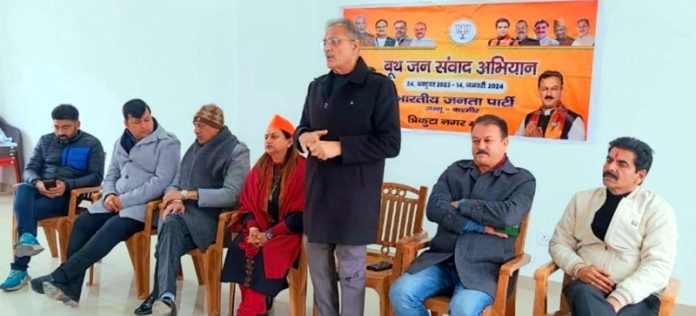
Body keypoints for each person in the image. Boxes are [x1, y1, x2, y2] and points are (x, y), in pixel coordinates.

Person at [29, 99, 180, 307]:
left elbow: (160, 182)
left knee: (110, 228)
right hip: (113, 201)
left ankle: (60, 276)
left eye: (147, 119)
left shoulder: (168, 143)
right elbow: (111, 175)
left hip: (141, 207)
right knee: (82, 223)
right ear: (126, 123)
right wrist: (109, 195)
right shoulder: (121, 142)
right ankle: (71, 289)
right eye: (137, 122)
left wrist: (123, 200)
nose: (145, 125)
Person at [296, 18, 400, 316]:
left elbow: (390, 143)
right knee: (319, 271)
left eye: (335, 41)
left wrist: (340, 147)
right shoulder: (317, 86)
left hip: (355, 197)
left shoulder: (379, 87)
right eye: (325, 42)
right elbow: (302, 127)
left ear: (356, 45)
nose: (328, 48)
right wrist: (303, 136)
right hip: (318, 194)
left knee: (351, 274)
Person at [389, 114, 536, 316]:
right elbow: (434, 208)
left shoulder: (521, 179)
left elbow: (508, 216)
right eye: (475, 141)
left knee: (462, 309)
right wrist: (478, 226)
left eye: (488, 140)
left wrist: (463, 204)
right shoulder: (456, 171)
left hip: (484, 270)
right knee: (401, 292)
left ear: (505, 143)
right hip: (441, 260)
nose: (480, 146)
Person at [134, 104, 250, 315]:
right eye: (195, 125)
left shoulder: (236, 150)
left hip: (214, 221)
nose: (196, 130)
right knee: (170, 225)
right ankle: (166, 299)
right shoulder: (195, 147)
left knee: (167, 237)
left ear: (217, 127)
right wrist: (175, 200)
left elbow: (233, 194)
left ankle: (160, 295)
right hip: (184, 216)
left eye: (201, 126)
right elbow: (175, 182)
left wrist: (187, 195)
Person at [549, 137, 677, 315]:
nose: (610, 167)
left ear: (640, 175)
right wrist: (579, 268)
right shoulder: (582, 200)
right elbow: (558, 243)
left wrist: (618, 298)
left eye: (622, 164)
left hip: (636, 294)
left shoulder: (657, 210)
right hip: (588, 288)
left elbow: (658, 265)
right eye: (609, 160)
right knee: (582, 294)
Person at [0, 104, 105, 292]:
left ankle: (19, 269)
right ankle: (28, 239)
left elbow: (96, 176)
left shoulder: (92, 144)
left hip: (65, 197)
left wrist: (67, 186)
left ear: (77, 124)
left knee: (25, 214)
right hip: (40, 190)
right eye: (56, 127)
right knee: (23, 188)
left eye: (65, 127)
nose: (60, 132)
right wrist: (38, 183)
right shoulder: (45, 141)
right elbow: (29, 169)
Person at [220, 114, 305, 316]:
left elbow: (301, 214)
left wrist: (269, 235)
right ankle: (256, 307)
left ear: (289, 141)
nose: (268, 140)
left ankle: (248, 310)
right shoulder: (259, 168)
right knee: (239, 246)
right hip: (259, 229)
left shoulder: (303, 169)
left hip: (287, 234)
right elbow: (247, 205)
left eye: (274, 136)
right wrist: (253, 229)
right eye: (266, 136)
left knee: (267, 255)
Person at [516, 70, 586, 140]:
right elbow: (516, 146)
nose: (549, 94)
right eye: (544, 89)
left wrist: (540, 143)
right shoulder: (528, 118)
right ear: (539, 90)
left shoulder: (573, 120)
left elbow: (577, 150)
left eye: (554, 89)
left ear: (561, 90)